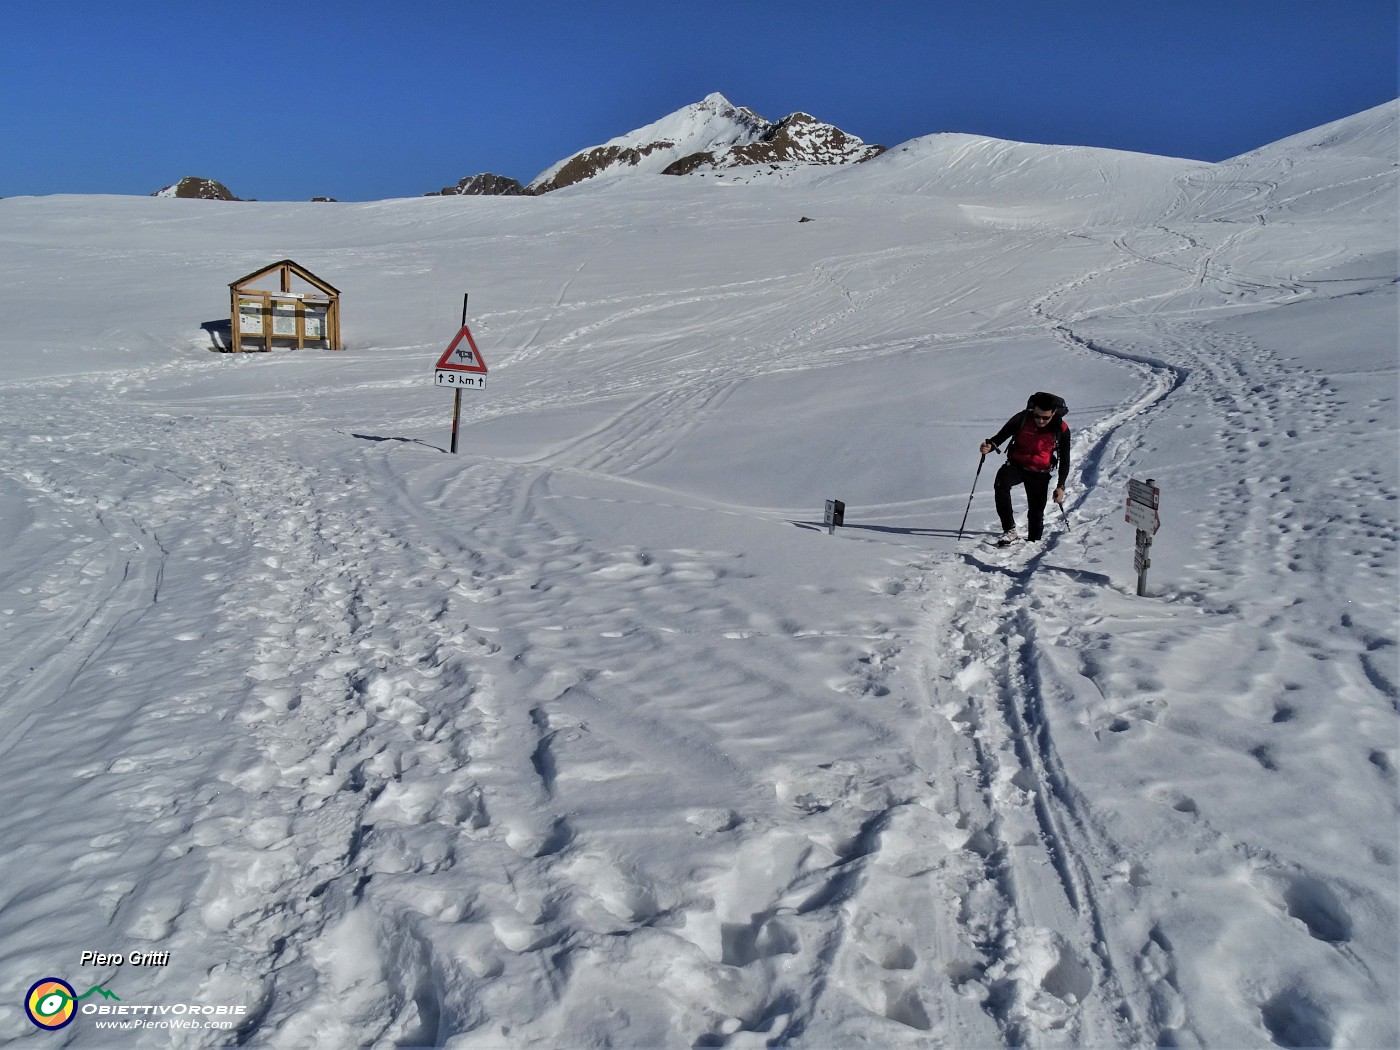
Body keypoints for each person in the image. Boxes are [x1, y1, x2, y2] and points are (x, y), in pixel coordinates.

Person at [979, 392, 1070, 545]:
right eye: (1037, 416)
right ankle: (1010, 530)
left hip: (1039, 473)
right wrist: (988, 446)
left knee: (1036, 513)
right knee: (1001, 483)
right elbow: (999, 437)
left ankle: (1033, 544)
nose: (1040, 420)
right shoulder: (1022, 418)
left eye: (1045, 417)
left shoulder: (1061, 428)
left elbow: (1065, 458)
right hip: (1017, 465)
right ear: (1032, 410)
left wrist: (1061, 486)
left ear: (1054, 413)